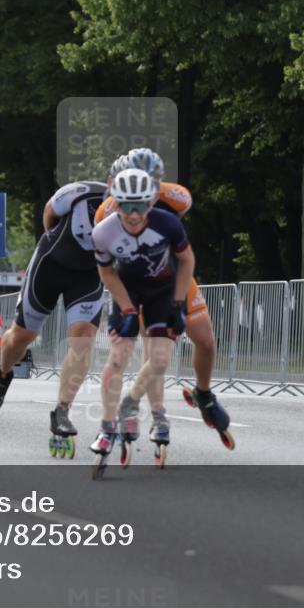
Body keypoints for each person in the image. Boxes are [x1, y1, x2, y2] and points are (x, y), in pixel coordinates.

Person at [97, 147, 233, 448]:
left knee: (206, 339)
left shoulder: (174, 196)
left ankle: (204, 392)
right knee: (153, 351)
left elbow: (181, 209)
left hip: (172, 276)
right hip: (136, 282)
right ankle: (153, 414)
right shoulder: (107, 210)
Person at [0, 178, 108, 456]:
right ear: (112, 182)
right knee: (23, 336)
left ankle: (61, 411)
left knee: (84, 339)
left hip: (88, 276)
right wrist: (57, 244)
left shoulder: (142, 213)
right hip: (50, 265)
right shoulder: (81, 192)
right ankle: (2, 375)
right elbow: (49, 215)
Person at [90, 167, 195, 467]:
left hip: (164, 292)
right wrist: (126, 309)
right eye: (125, 205)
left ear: (151, 203)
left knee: (160, 360)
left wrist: (177, 302)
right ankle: (107, 427)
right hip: (128, 289)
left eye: (140, 206)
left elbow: (187, 260)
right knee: (119, 357)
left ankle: (131, 403)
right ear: (115, 204)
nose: (133, 214)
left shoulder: (168, 224)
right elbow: (107, 272)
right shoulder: (104, 231)